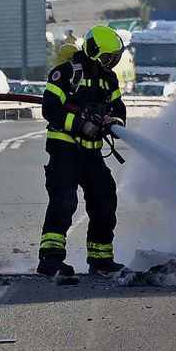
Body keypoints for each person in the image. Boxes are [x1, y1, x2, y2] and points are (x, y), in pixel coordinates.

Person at [37, 24, 128, 279]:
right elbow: (50, 109)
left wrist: (113, 122)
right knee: (64, 202)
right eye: (108, 58)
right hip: (64, 148)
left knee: (105, 199)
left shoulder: (109, 80)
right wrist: (80, 124)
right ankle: (50, 260)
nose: (111, 63)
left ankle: (101, 259)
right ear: (93, 52)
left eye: (115, 59)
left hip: (92, 153)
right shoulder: (66, 73)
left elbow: (118, 108)